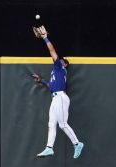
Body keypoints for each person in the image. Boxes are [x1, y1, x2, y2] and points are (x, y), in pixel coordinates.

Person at [32, 26, 84, 159]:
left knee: (62, 124)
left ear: (65, 64)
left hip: (60, 97)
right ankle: (49, 148)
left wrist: (45, 37)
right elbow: (51, 86)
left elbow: (52, 50)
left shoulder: (60, 67)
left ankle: (77, 143)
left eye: (63, 60)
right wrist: (41, 81)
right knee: (51, 124)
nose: (60, 59)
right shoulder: (55, 71)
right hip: (55, 97)